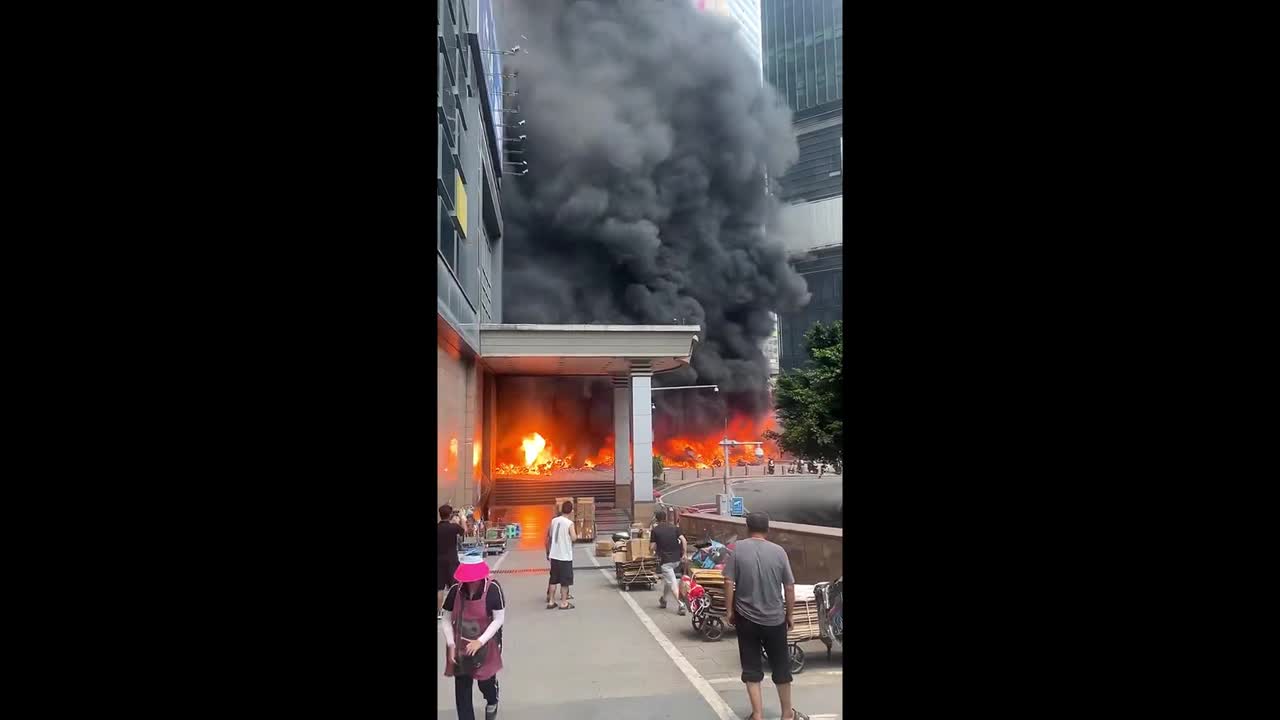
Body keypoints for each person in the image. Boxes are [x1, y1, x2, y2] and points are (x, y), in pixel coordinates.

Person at [724, 512, 807, 720]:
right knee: (781, 667)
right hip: (775, 619)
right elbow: (789, 586)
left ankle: (757, 715)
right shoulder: (779, 552)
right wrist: (790, 615)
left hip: (746, 618)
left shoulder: (738, 549)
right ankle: (787, 714)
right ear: (768, 529)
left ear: (747, 528)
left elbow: (728, 581)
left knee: (751, 668)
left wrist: (729, 611)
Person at [442, 555, 505, 720]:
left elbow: (499, 619)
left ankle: (492, 698)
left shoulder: (493, 589)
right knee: (462, 689)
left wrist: (480, 641)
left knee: (485, 681)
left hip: (487, 642)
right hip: (461, 644)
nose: (470, 582)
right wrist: (451, 644)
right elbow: (446, 619)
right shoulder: (455, 590)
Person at [650, 508, 687, 614]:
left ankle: (681, 604)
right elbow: (684, 540)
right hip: (677, 559)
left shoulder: (655, 530)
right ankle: (664, 599)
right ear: (665, 517)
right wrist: (684, 553)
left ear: (656, 519)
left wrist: (652, 551)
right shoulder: (674, 527)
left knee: (673, 583)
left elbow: (652, 547)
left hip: (666, 561)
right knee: (668, 581)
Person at [545, 500, 576, 610]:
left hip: (554, 555)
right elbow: (574, 537)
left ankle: (551, 601)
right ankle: (564, 603)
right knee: (564, 581)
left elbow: (550, 535)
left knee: (553, 579)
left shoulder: (554, 521)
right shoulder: (569, 523)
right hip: (565, 556)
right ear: (571, 511)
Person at [438, 504, 465, 620]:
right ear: (450, 515)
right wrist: (462, 518)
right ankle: (454, 610)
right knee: (454, 586)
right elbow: (464, 531)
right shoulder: (453, 527)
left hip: (439, 561)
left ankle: (439, 612)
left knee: (439, 588)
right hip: (452, 560)